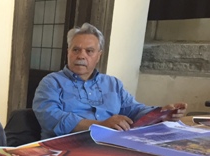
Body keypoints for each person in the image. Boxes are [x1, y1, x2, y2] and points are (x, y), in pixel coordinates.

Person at [32, 22, 187, 139]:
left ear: (99, 55)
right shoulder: (51, 82)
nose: (81, 55)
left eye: (89, 51)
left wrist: (160, 114)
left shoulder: (113, 84)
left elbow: (134, 110)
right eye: (76, 50)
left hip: (111, 145)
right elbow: (50, 118)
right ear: (68, 52)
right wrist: (100, 125)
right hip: (66, 149)